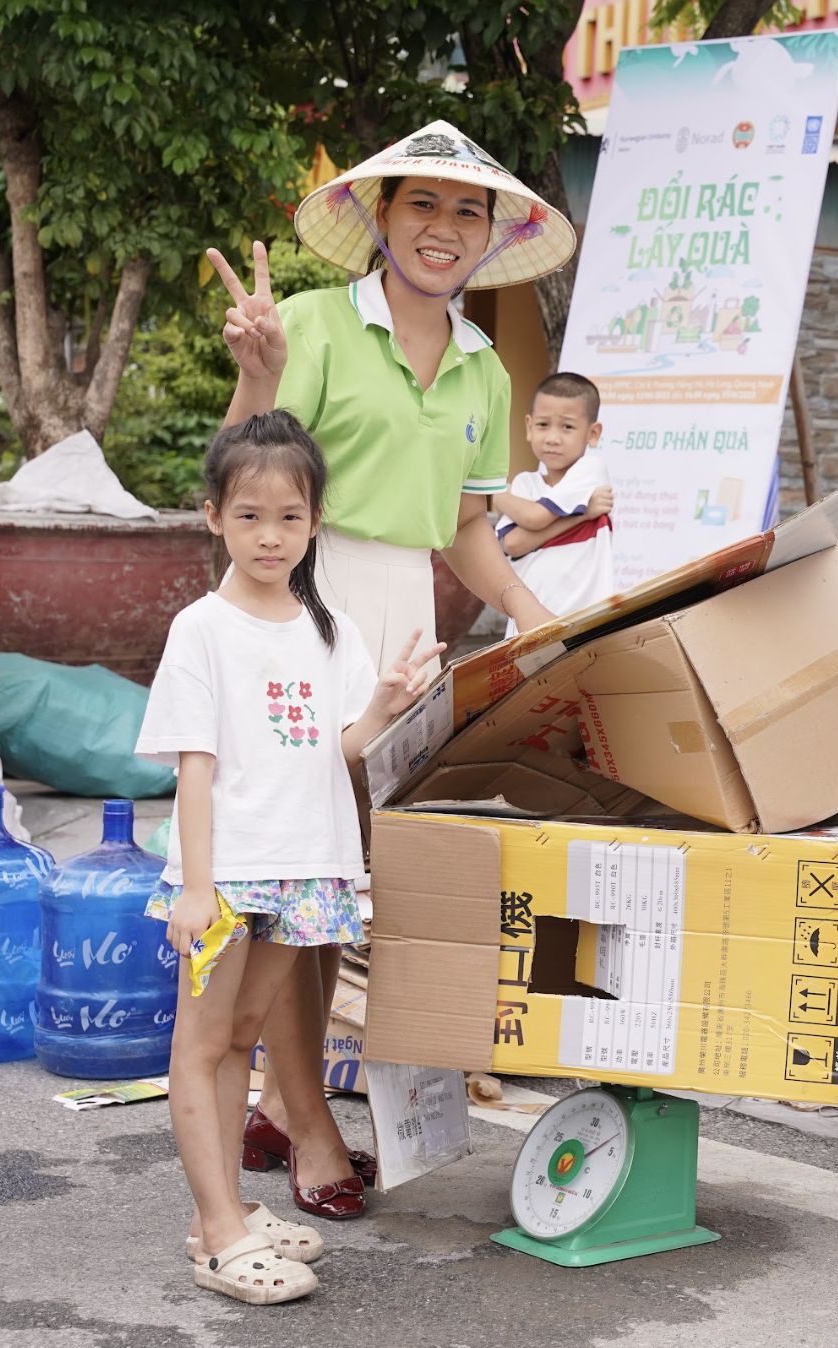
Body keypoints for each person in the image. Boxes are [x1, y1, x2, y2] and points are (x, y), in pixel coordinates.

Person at [204, 120, 575, 1218]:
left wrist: (537, 614)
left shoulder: (481, 370)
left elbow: (465, 530)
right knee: (293, 878)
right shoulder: (311, 327)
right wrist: (256, 377)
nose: (443, 228)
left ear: (493, 235)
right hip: (297, 607)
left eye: (468, 211)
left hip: (404, 630)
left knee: (337, 887)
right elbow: (239, 483)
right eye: (422, 204)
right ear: (379, 216)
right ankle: (312, 1127)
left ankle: (280, 1098)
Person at [138, 412, 443, 1303]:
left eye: (289, 517)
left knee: (242, 1041)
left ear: (315, 522)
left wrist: (386, 702)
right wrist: (195, 886)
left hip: (307, 870)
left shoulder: (331, 628)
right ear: (212, 517)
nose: (270, 536)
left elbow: (341, 752)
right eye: (249, 516)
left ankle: (218, 1215)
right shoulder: (201, 628)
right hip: (226, 876)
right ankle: (219, 1231)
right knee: (200, 1047)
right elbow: (195, 765)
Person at [492, 371, 616, 635]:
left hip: (584, 620)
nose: (552, 438)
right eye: (543, 425)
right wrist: (581, 515)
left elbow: (535, 518)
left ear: (593, 433)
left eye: (567, 427)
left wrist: (494, 492)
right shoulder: (525, 483)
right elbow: (513, 543)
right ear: (528, 426)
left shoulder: (590, 469)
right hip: (528, 622)